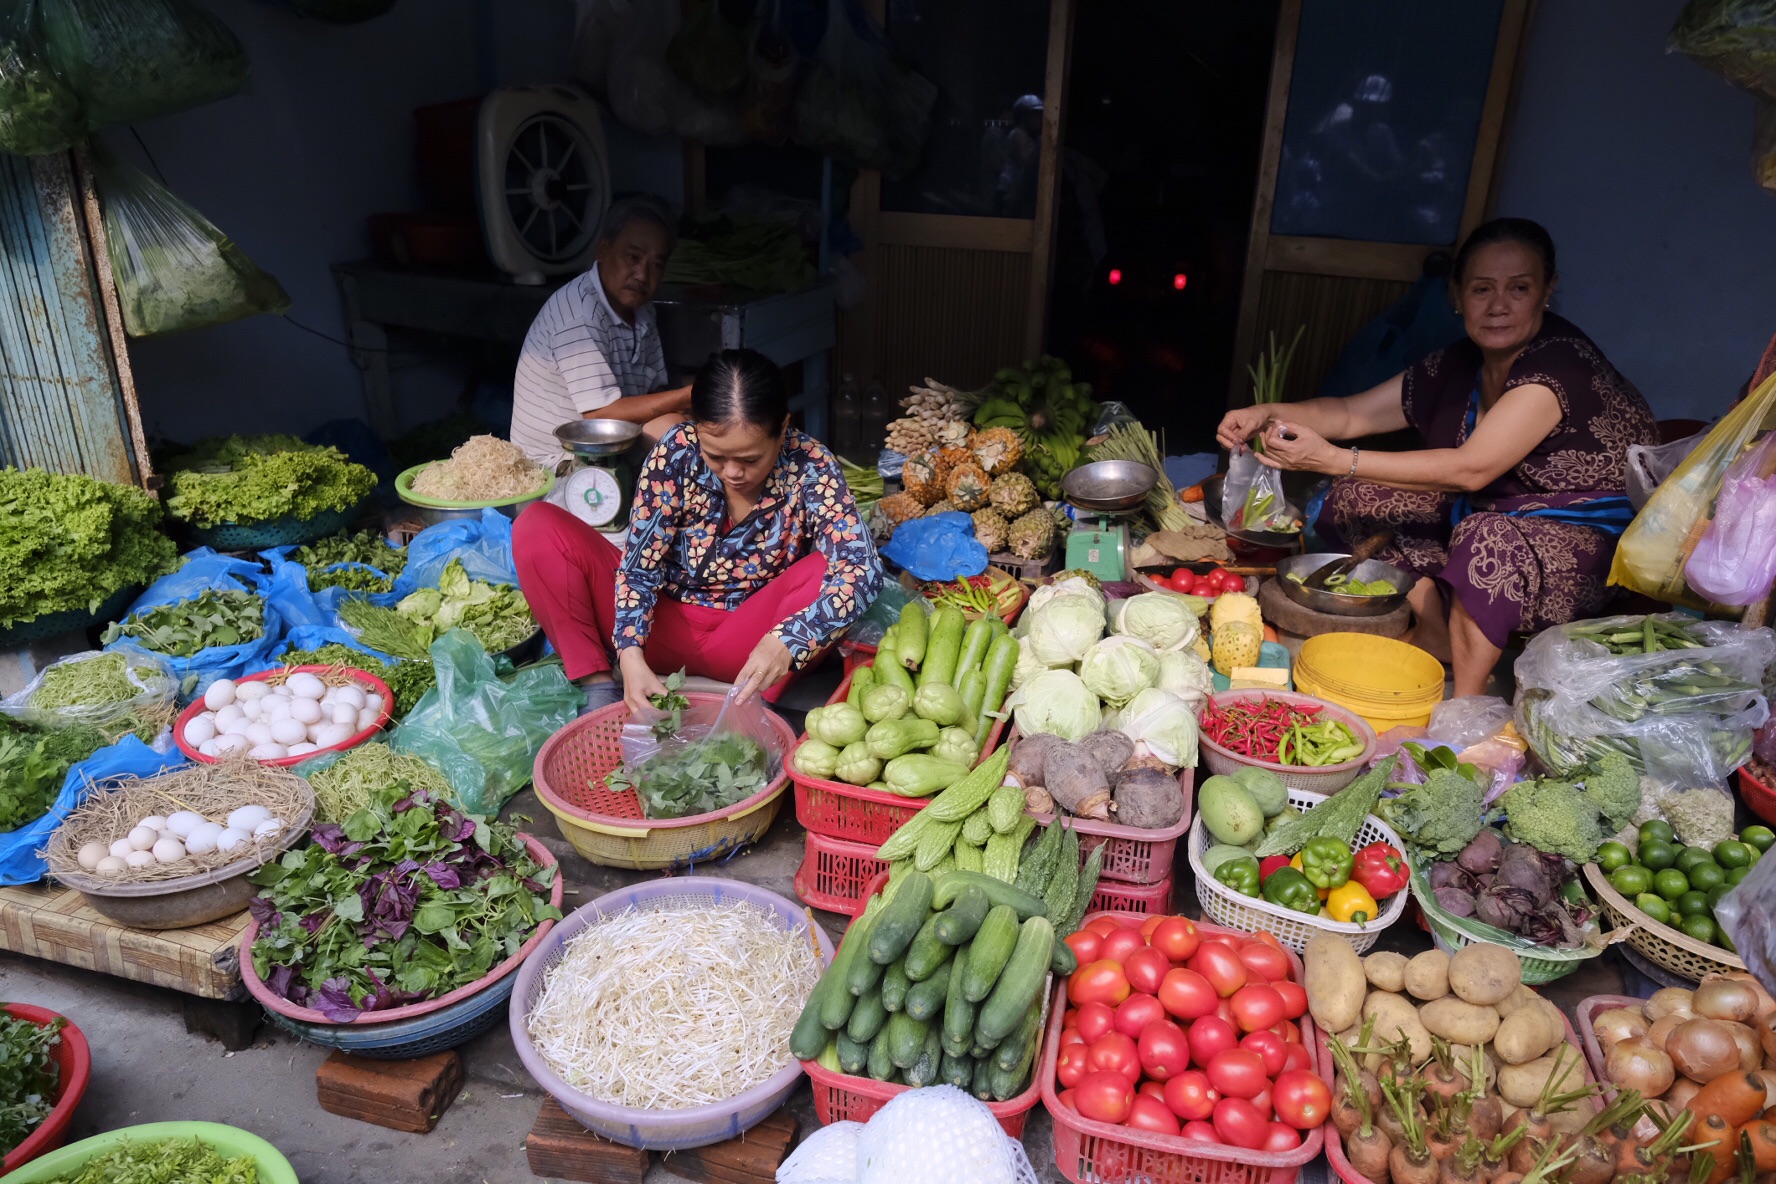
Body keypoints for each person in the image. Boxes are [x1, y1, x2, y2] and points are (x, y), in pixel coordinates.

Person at [1216, 217, 1658, 697]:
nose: (1498, 307)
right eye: (1482, 289)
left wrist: (1333, 459)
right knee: (1353, 498)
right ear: (1457, 295)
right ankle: (1435, 627)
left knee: (1485, 537)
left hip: (1586, 543)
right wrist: (1267, 412)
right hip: (1489, 515)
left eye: (1520, 288)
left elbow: (1473, 469)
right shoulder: (1458, 363)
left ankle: (1463, 707)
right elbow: (1348, 413)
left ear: (1547, 290)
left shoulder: (1559, 365)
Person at [514, 349, 883, 709]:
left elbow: (863, 571)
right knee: (536, 526)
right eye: (716, 456)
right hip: (660, 630)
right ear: (696, 428)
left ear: (783, 428)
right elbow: (640, 568)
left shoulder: (811, 464)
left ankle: (756, 710)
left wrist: (788, 640)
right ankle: (600, 690)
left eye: (749, 458)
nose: (733, 472)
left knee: (828, 569)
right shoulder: (676, 452)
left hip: (754, 644)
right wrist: (629, 652)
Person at [508, 194, 693, 468]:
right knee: (680, 439)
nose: (642, 274)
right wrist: (689, 394)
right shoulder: (579, 313)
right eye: (633, 257)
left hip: (613, 444)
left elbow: (656, 393)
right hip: (556, 462)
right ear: (603, 251)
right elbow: (599, 415)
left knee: (684, 432)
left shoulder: (642, 310)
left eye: (656, 265)